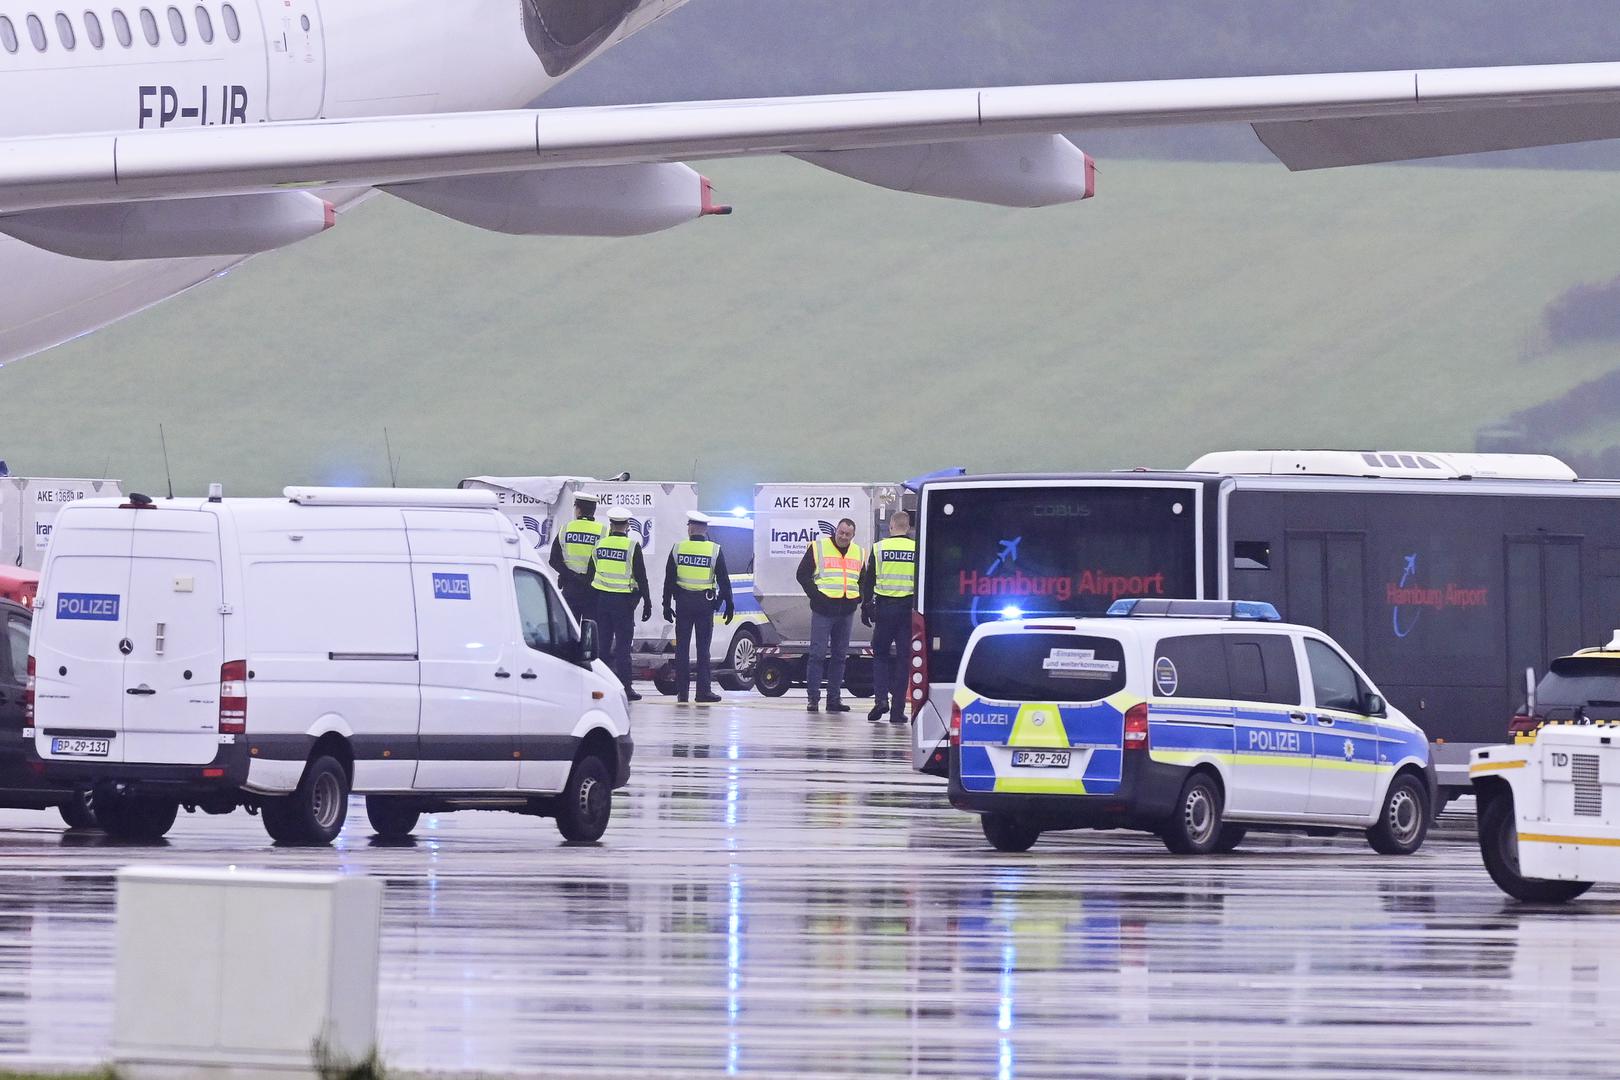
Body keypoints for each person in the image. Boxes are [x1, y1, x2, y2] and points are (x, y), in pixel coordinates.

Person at [663, 511, 733, 703]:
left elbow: (669, 580)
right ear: (705, 529)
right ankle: (703, 691)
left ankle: (682, 692)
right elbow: (724, 580)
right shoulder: (714, 550)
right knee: (703, 649)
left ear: (691, 528)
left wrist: (666, 605)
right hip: (705, 604)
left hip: (683, 603)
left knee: (682, 649)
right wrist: (728, 604)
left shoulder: (678, 548)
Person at [796, 517, 863, 713]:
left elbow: (863, 579)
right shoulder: (818, 548)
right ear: (835, 531)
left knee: (840, 656)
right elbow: (802, 575)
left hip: (846, 610)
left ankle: (834, 699)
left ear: (853, 535)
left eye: (847, 534)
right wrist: (816, 597)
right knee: (817, 654)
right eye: (841, 532)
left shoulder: (858, 552)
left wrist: (859, 598)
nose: (843, 537)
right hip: (823, 610)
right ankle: (813, 699)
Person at [586, 507, 652, 701]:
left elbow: (591, 576)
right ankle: (626, 688)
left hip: (602, 602)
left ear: (611, 524)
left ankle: (601, 686)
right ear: (628, 526)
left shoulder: (599, 545)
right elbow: (641, 577)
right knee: (623, 648)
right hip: (623, 604)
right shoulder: (632, 546)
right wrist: (647, 602)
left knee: (603, 647)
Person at [861, 510, 916, 725]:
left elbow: (869, 581)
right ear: (909, 527)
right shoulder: (916, 549)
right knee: (904, 659)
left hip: (885, 610)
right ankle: (897, 710)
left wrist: (866, 607)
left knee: (880, 655)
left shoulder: (879, 547)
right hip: (908, 611)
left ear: (891, 527)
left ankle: (881, 699)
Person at [549, 492, 605, 627]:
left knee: (569, 629)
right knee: (591, 631)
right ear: (594, 510)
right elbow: (604, 561)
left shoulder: (565, 529)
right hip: (593, 589)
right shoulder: (603, 531)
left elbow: (553, 560)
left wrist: (572, 576)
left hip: (570, 588)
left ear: (578, 510)